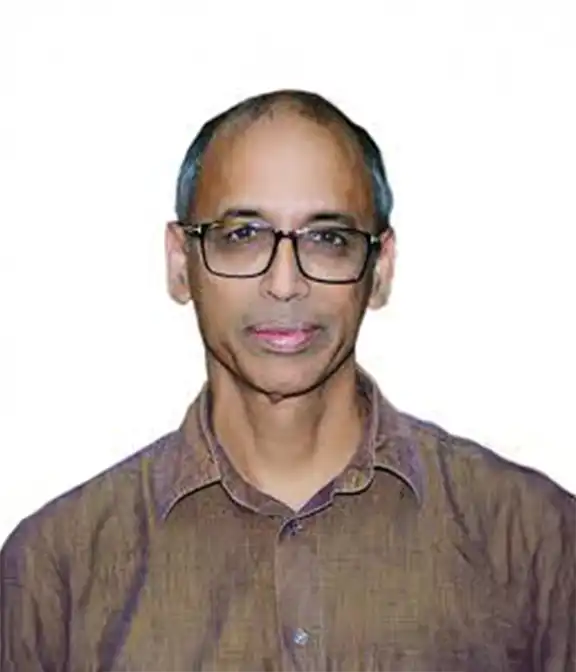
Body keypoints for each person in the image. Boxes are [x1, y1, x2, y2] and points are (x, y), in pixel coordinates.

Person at [1, 89, 574, 671]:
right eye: (242, 235)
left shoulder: (538, 543)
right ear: (180, 264)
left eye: (328, 239)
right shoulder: (54, 574)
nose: (284, 284)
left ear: (379, 270)